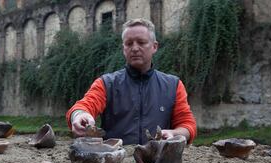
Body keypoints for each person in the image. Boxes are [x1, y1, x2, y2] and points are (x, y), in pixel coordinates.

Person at [66, 18, 196, 145]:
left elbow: (187, 124)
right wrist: (79, 116)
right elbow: (84, 105)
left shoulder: (173, 85)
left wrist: (175, 134)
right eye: (129, 43)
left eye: (141, 42)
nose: (134, 48)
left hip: (159, 161)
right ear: (123, 48)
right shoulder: (107, 83)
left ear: (154, 46)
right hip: (115, 162)